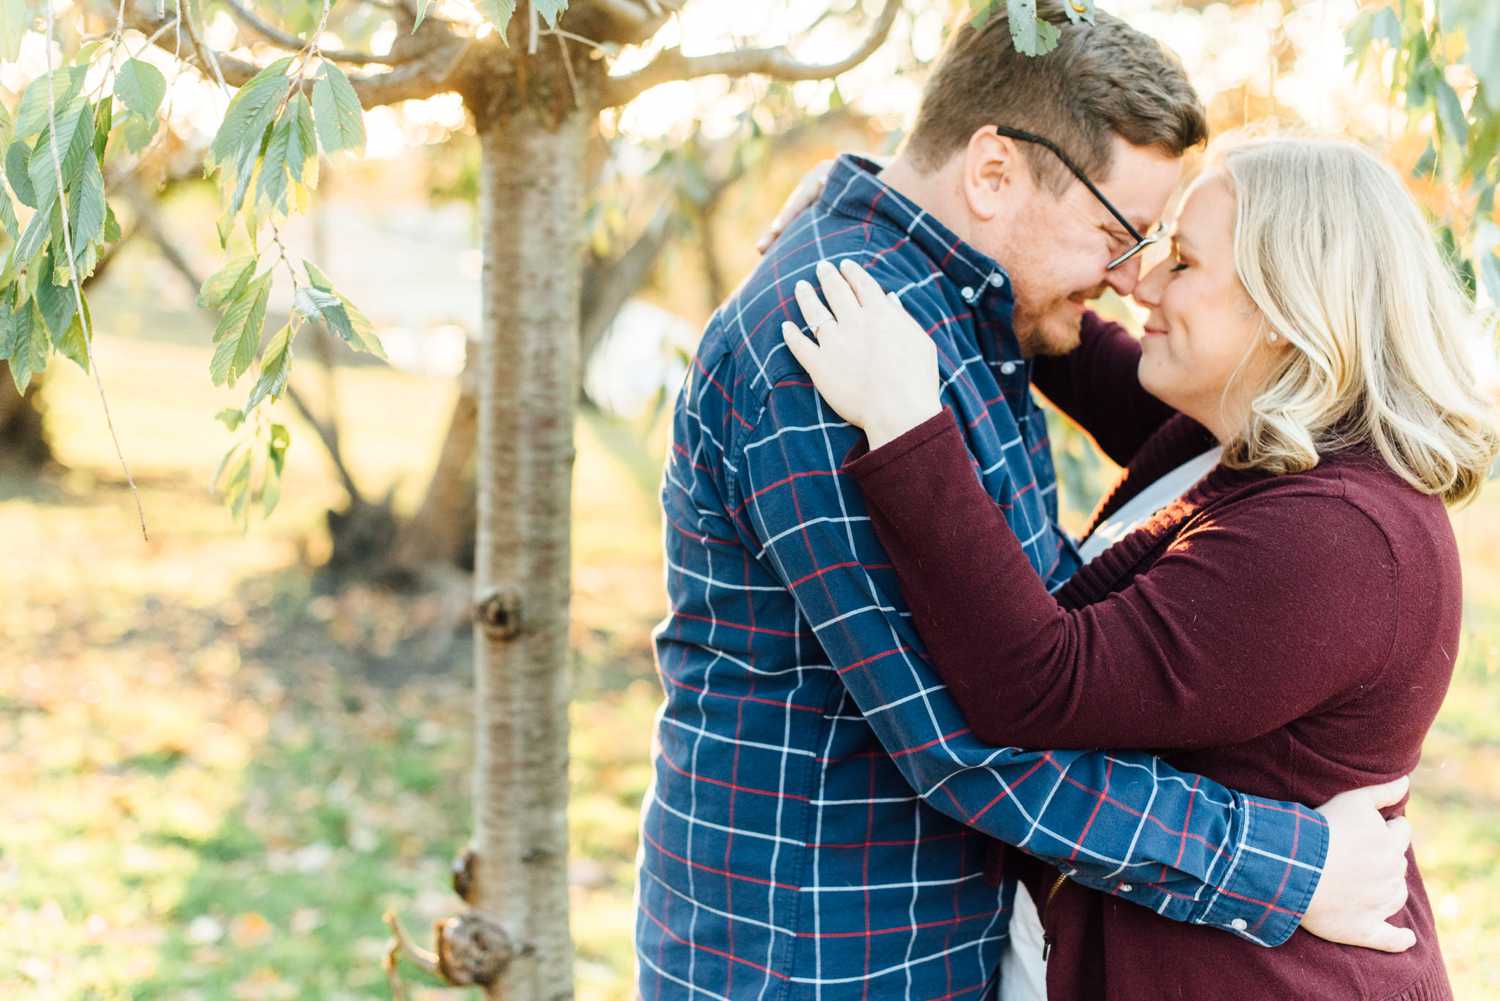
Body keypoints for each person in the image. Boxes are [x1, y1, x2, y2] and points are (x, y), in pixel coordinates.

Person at [637, 5, 1416, 998]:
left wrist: (863, 186)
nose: (1131, 276)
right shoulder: (838, 339)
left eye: (1164, 246)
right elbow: (966, 735)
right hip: (816, 955)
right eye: (1120, 232)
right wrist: (1286, 862)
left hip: (926, 941)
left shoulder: (969, 312)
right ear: (994, 173)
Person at [779, 133, 1500, 1000]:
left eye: (1182, 262)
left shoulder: (1338, 540)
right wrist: (894, 204)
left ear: (1283, 307)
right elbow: (1069, 338)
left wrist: (903, 421)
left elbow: (1035, 683)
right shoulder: (1236, 435)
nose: (1138, 281)